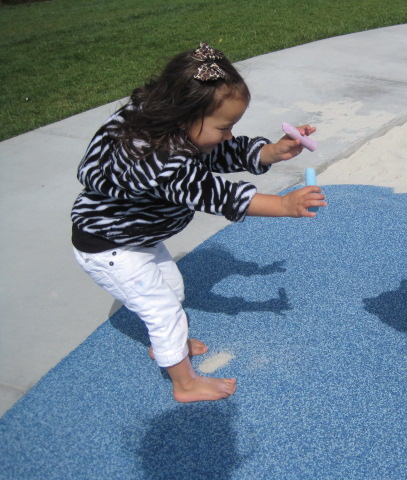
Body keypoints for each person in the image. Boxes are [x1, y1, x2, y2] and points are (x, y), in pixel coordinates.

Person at [71, 42, 326, 403]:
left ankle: (168, 345)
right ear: (185, 114)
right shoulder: (159, 160)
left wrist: (268, 152)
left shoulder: (174, 125)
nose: (230, 135)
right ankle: (185, 384)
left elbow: (216, 151)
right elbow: (219, 195)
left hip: (137, 237)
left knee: (172, 292)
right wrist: (284, 204)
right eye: (224, 127)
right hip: (109, 246)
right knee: (162, 309)